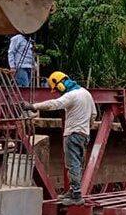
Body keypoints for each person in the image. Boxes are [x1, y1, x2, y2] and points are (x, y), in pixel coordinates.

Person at [23, 71, 96, 205]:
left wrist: (34, 106)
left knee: (72, 163)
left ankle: (76, 195)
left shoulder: (72, 95)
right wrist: (86, 129)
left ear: (60, 84)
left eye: (57, 89)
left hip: (73, 134)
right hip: (84, 134)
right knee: (77, 163)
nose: (58, 92)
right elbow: (94, 114)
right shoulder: (86, 93)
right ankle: (73, 191)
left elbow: (54, 104)